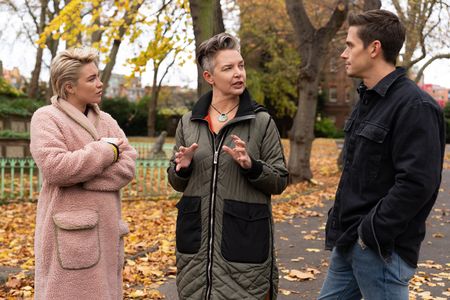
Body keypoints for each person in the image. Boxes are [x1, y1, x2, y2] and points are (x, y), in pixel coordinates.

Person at [319, 9, 445, 300]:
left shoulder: (415, 106)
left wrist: (371, 233)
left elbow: (417, 183)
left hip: (380, 249)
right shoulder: (368, 100)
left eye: (350, 45)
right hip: (349, 241)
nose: (343, 54)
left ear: (374, 48)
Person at [167, 33, 288, 300]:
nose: (238, 73)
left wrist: (252, 166)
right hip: (195, 252)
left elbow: (279, 180)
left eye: (241, 66)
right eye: (228, 68)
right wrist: (182, 168)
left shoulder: (261, 121)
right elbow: (175, 183)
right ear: (209, 77)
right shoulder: (189, 122)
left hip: (245, 248)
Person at [30, 47, 137, 299]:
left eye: (98, 76)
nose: (100, 84)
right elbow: (55, 169)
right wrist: (105, 152)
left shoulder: (108, 121)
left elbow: (128, 166)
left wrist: (84, 178)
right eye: (91, 79)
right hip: (67, 237)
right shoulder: (46, 118)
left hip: (108, 233)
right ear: (69, 86)